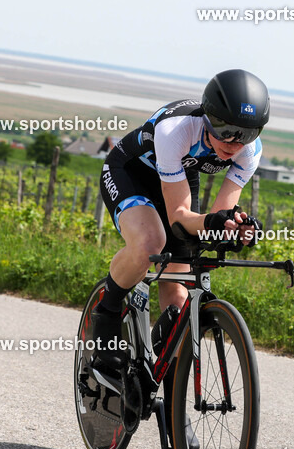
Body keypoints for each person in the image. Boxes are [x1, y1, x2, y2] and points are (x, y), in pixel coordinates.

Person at [90, 69, 269, 375]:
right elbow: (180, 217)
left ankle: (164, 375)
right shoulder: (176, 130)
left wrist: (234, 228)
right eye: (225, 129)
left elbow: (216, 221)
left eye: (246, 133)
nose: (233, 142)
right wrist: (213, 222)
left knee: (178, 294)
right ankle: (106, 310)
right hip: (131, 173)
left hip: (180, 177)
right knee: (150, 244)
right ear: (208, 117)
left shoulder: (249, 152)